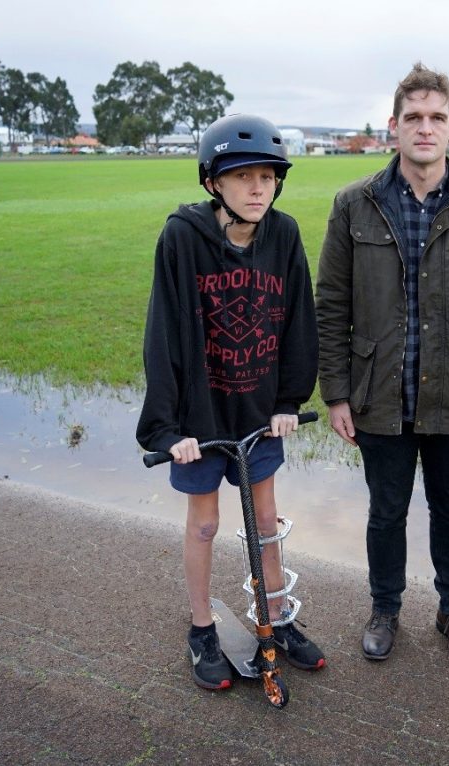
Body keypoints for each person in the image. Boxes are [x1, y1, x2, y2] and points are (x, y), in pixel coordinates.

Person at [315, 62, 449, 663]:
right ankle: (385, 608)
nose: (424, 128)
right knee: (386, 512)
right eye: (413, 117)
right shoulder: (354, 205)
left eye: (436, 117)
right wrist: (336, 392)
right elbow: (331, 305)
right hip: (379, 392)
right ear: (394, 126)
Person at [136, 114, 324, 690]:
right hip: (200, 416)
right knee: (205, 525)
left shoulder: (283, 235)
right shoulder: (182, 237)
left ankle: (276, 618)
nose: (257, 188)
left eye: (267, 177)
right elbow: (163, 331)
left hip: (258, 411)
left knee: (265, 521)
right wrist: (167, 430)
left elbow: (299, 320)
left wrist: (289, 399)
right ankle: (202, 629)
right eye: (243, 176)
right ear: (213, 181)